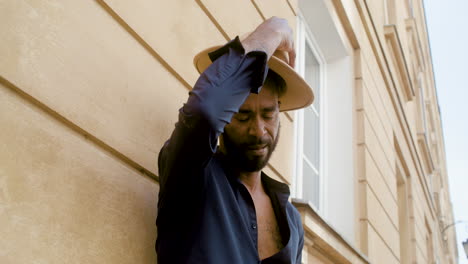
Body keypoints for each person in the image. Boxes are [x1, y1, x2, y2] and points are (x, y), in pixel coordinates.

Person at [156, 17, 314, 264]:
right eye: (243, 115)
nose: (259, 131)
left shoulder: (292, 220)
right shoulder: (190, 175)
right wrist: (271, 32)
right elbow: (204, 111)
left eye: (268, 114)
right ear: (226, 116)